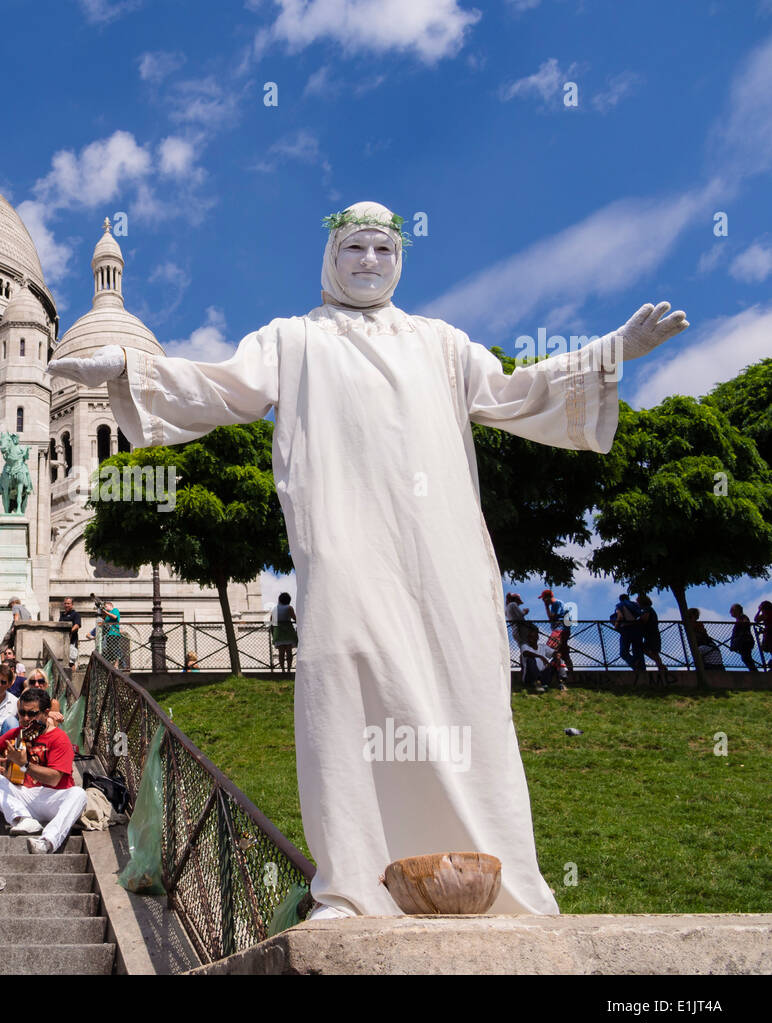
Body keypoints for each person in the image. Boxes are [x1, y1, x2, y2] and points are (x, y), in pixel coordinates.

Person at [50, 198, 690, 918]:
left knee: (466, 693)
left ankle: (494, 875)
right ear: (331, 257)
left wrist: (613, 352)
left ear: (401, 261)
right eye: (355, 247)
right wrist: (128, 367)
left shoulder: (443, 343)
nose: (369, 262)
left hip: (442, 555)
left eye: (385, 251)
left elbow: (518, 393)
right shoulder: (292, 339)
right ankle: (353, 883)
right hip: (346, 550)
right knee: (344, 691)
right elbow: (222, 386)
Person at [0, 686, 88, 855]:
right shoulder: (18, 733)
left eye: (32, 714)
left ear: (46, 713)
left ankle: (47, 841)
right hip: (24, 796)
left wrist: (25, 765)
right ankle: (23, 819)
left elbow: (54, 779)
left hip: (52, 798)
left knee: (79, 794)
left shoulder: (60, 738)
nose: (25, 718)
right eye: (22, 713)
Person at [634, 593, 674, 683]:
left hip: (651, 634)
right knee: (652, 651)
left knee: (649, 650)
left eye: (637, 602)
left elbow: (645, 619)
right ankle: (661, 666)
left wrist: (637, 622)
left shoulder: (646, 609)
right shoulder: (649, 609)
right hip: (652, 634)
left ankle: (661, 666)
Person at [538, 589, 575, 675]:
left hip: (559, 630)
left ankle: (549, 670)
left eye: (543, 598)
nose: (543, 601)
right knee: (564, 652)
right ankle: (571, 672)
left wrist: (546, 607)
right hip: (564, 630)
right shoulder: (559, 603)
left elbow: (552, 617)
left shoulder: (556, 604)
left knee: (550, 648)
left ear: (547, 598)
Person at [612, 593, 646, 678]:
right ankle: (642, 669)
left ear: (620, 599)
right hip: (637, 629)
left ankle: (634, 663)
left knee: (624, 652)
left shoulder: (620, 605)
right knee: (638, 651)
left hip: (626, 629)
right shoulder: (634, 604)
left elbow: (620, 616)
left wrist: (616, 626)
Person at [269, 592, 298, 673]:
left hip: (278, 631)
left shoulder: (274, 609)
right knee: (289, 652)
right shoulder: (289, 608)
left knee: (281, 653)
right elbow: (295, 618)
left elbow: (271, 622)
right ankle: (289, 669)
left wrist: (273, 634)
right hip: (288, 630)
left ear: (279, 600)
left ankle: (282, 670)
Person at [730, 604, 759, 672]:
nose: (730, 612)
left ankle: (754, 672)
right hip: (744, 640)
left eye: (732, 610)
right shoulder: (741, 618)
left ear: (737, 610)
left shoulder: (743, 617)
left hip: (745, 641)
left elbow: (745, 625)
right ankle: (754, 671)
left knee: (746, 657)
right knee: (746, 657)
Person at [59, 598, 81, 667]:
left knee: (71, 662)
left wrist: (69, 633)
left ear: (72, 604)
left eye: (68, 603)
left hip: (72, 641)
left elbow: (77, 625)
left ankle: (72, 676)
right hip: (62, 642)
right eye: (65, 603)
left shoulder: (75, 614)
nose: (66, 605)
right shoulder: (62, 615)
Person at [756, 601, 772, 671]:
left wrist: (759, 610)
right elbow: (756, 619)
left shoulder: (767, 614)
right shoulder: (767, 614)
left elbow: (756, 619)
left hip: (769, 634)